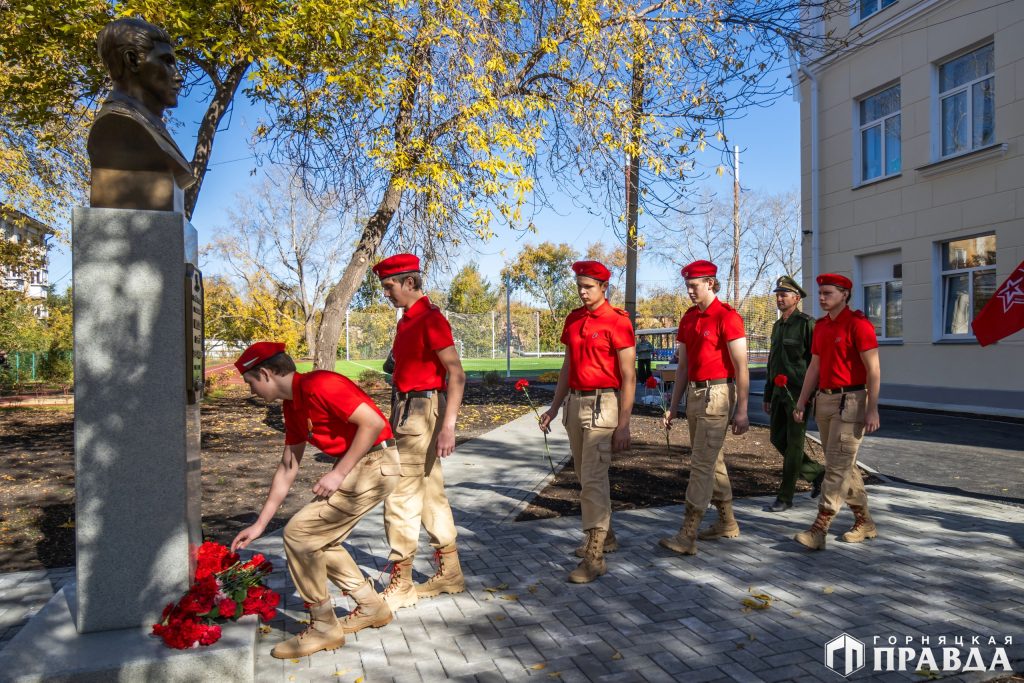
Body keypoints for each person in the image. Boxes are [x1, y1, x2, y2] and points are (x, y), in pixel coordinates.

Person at [229, 342, 400, 659]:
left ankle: (324, 627)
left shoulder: (320, 384)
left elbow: (373, 424)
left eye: (251, 382)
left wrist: (338, 474)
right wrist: (260, 524)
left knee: (298, 534)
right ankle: (371, 606)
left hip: (375, 464)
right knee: (319, 540)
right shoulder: (291, 405)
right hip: (362, 467)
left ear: (265, 373)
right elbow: (288, 467)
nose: (251, 391)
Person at [373, 253, 467, 610]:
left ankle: (401, 582)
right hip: (408, 407)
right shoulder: (407, 321)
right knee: (429, 492)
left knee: (399, 494)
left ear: (409, 283)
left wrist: (448, 426)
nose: (386, 293)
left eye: (389, 286)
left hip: (421, 410)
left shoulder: (430, 319)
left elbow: (456, 374)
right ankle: (450, 572)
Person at [539, 261, 636, 583]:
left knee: (593, 480)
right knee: (586, 478)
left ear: (603, 287)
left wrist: (624, 424)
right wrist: (553, 408)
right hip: (574, 405)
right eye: (579, 286)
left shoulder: (617, 322)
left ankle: (594, 557)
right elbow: (568, 367)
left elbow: (628, 376)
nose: (582, 292)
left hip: (603, 405)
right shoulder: (574, 318)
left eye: (588, 287)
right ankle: (606, 537)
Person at [659, 260, 750, 556]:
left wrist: (742, 409)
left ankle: (688, 533)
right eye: (687, 285)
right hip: (696, 396)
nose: (689, 290)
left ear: (710, 283)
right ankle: (727, 522)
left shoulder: (728, 317)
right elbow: (682, 366)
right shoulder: (688, 318)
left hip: (719, 393)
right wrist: (673, 405)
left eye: (694, 285)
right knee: (713, 460)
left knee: (700, 464)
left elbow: (741, 367)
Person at [792, 273, 881, 550]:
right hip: (825, 401)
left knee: (836, 467)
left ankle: (820, 528)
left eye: (827, 293)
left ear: (844, 294)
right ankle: (864, 522)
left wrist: (872, 408)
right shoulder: (821, 327)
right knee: (844, 465)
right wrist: (802, 401)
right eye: (820, 293)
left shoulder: (858, 325)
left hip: (852, 400)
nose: (821, 298)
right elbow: (814, 367)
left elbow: (874, 370)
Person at [763, 275, 825, 512]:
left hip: (799, 393)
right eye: (777, 295)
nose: (779, 299)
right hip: (779, 393)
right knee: (777, 439)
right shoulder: (777, 326)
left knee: (795, 445)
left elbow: (815, 362)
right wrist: (768, 394)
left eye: (784, 295)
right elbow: (772, 362)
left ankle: (785, 496)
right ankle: (818, 473)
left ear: (796, 298)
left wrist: (810, 395)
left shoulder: (807, 324)